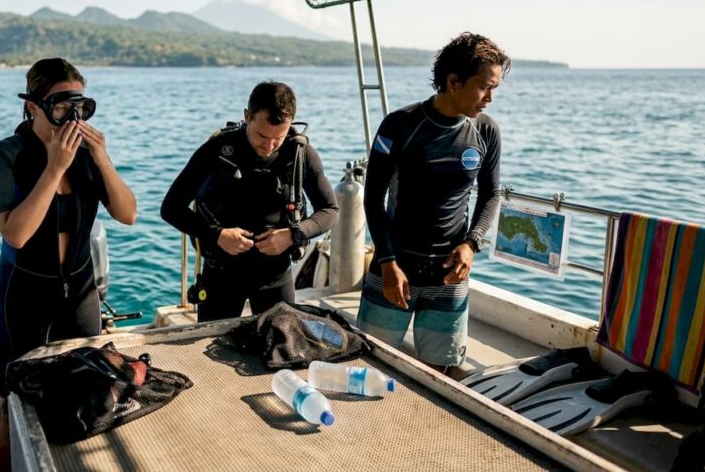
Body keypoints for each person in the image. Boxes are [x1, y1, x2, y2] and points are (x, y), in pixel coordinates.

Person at [0, 57, 137, 471]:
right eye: (62, 106)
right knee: (13, 412)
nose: (73, 117)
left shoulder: (86, 156)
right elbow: (15, 233)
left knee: (88, 396)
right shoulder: (4, 155)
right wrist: (54, 168)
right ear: (33, 106)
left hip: (81, 296)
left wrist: (102, 159)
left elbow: (128, 213)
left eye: (81, 106)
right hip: (23, 302)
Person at [357, 32, 510, 371]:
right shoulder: (400, 125)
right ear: (454, 81)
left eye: (495, 88)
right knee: (367, 364)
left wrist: (471, 243)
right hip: (394, 269)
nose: (490, 98)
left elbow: (491, 194)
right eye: (485, 87)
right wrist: (387, 262)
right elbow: (372, 198)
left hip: (449, 276)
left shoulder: (486, 131)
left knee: (438, 373)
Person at [161, 81, 338, 322]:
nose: (269, 145)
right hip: (221, 275)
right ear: (247, 116)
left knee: (281, 348)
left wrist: (293, 234)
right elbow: (171, 208)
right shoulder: (217, 151)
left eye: (279, 137)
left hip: (276, 276)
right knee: (212, 351)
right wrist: (217, 235)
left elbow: (330, 210)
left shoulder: (300, 154)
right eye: (262, 135)